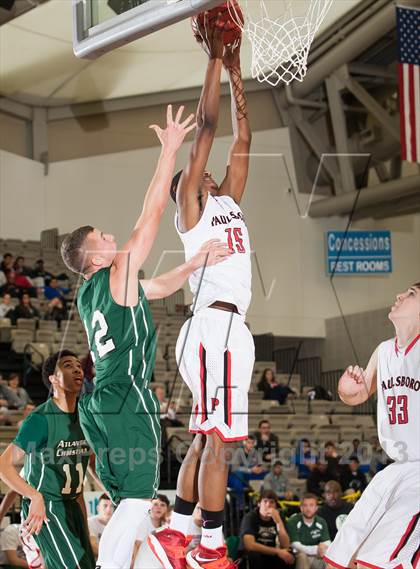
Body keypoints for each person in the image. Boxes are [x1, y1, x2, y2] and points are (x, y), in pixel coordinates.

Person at [61, 105, 230, 569]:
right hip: (124, 397)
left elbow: (156, 288)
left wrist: (195, 264)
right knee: (138, 500)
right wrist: (170, 148)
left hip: (103, 404)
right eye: (101, 235)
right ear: (93, 256)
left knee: (129, 500)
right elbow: (153, 210)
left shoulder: (93, 293)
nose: (111, 234)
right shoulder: (115, 272)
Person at [148, 21, 255, 569]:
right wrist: (214, 59)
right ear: (184, 191)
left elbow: (243, 140)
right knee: (221, 442)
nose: (208, 172)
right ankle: (210, 543)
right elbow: (208, 131)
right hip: (216, 326)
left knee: (203, 439)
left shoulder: (229, 202)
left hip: (222, 328)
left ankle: (181, 530)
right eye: (196, 174)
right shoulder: (192, 208)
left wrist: (238, 73)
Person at [325, 283, 420, 569]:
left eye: (412, 294)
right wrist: (345, 389)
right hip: (395, 470)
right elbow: (357, 394)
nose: (399, 295)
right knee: (340, 556)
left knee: (376, 561)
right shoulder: (383, 351)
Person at [0, 350, 95, 569]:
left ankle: (36, 550)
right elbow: (4, 465)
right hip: (46, 507)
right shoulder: (41, 419)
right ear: (53, 379)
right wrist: (34, 496)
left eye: (78, 366)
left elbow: (89, 465)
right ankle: (32, 542)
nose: (77, 369)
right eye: (68, 365)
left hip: (73, 503)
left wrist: (114, 493)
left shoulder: (85, 417)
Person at [239, 490, 294, 569]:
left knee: (288, 554)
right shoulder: (250, 517)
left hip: (270, 553)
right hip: (251, 554)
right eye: (265, 501)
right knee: (254, 555)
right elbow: (249, 545)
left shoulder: (279, 517)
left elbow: (285, 545)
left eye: (272, 502)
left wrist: (278, 522)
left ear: (275, 506)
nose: (268, 505)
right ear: (259, 504)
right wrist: (277, 551)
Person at [287, 493, 330, 569]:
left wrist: (323, 548)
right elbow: (296, 545)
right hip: (298, 557)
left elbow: (327, 542)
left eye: (311, 505)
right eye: (305, 505)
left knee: (329, 556)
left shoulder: (321, 521)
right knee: (302, 556)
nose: (308, 508)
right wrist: (317, 549)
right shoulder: (293, 521)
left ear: (316, 507)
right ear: (300, 508)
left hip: (317, 557)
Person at [88, 493, 114, 559]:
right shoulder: (89, 523)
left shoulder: (118, 525)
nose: (108, 509)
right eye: (105, 506)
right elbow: (93, 547)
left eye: (111, 506)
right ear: (98, 508)